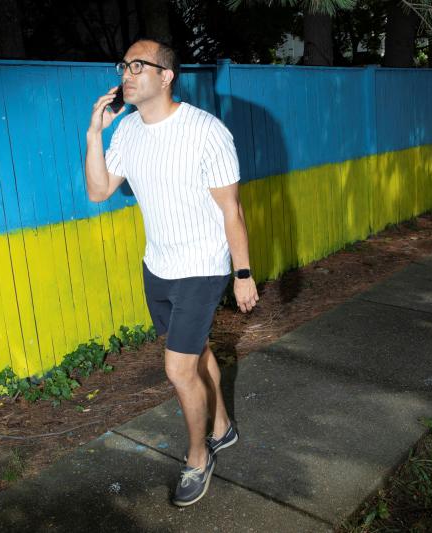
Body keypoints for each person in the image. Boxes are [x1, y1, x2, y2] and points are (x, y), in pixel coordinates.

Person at [84, 38, 258, 507]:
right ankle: (221, 427)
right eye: (124, 65)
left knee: (178, 369)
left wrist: (242, 273)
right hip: (157, 265)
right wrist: (93, 135)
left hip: (201, 267)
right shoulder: (126, 133)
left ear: (166, 76)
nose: (127, 72)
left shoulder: (207, 131)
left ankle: (198, 458)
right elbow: (99, 191)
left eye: (138, 65)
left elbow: (232, 211)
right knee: (196, 352)